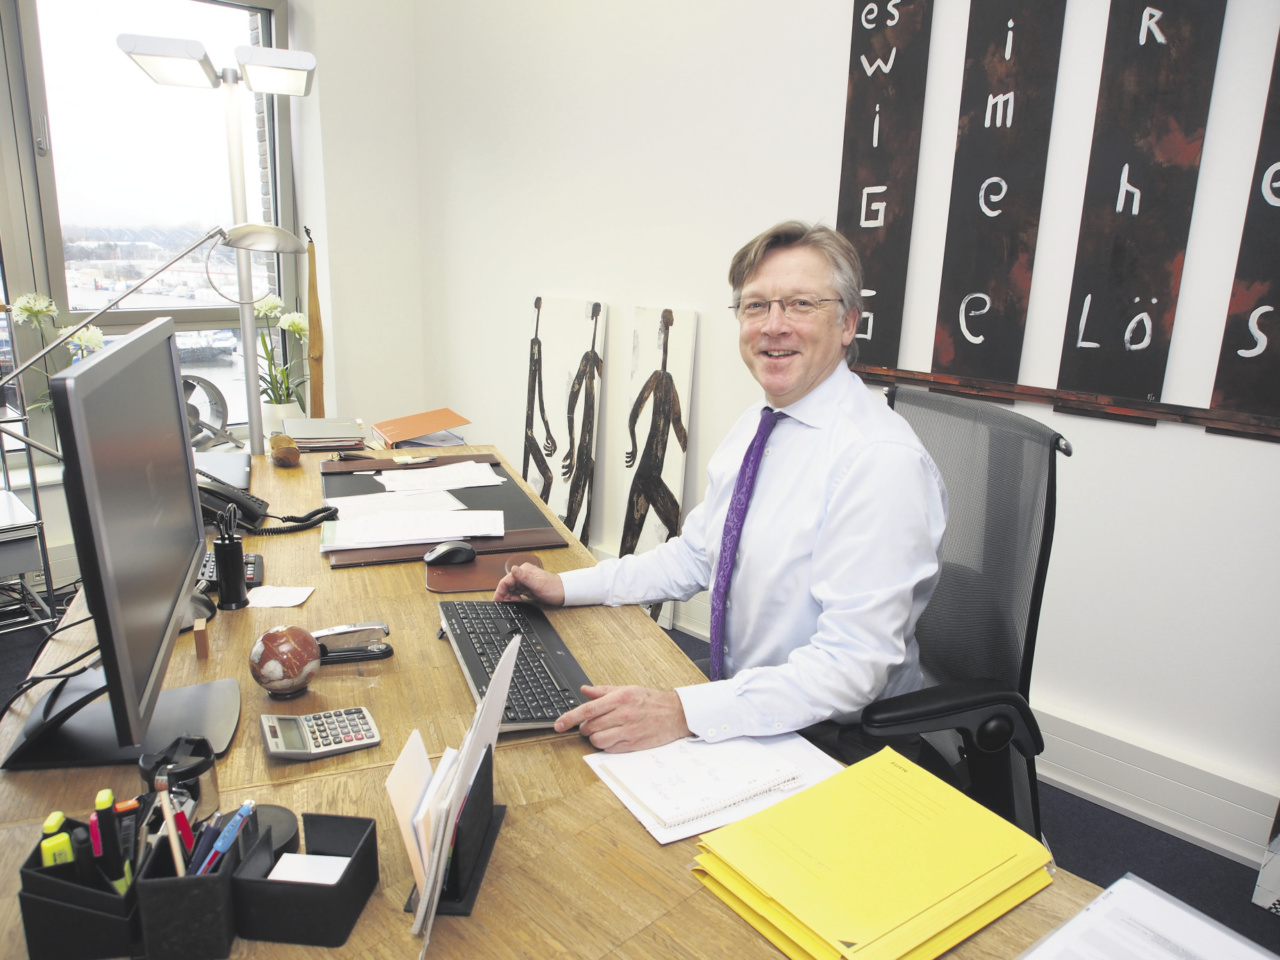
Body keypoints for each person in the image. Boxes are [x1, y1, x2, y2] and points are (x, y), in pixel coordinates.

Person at [495, 221, 947, 757]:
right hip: (751, 708)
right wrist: (566, 587)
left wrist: (683, 712)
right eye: (756, 306)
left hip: (840, 744)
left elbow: (850, 667)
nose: (773, 326)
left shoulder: (879, 461)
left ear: (848, 323)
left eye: (801, 304)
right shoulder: (758, 425)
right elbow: (695, 556)